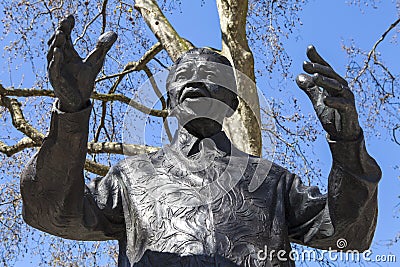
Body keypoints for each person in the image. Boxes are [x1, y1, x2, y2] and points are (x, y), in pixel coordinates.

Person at [21, 15, 381, 267]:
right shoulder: (129, 179)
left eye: (210, 74)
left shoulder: (273, 182)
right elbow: (51, 212)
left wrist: (346, 140)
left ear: (232, 103)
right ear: (169, 102)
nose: (195, 79)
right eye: (183, 75)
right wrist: (71, 113)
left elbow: (350, 232)